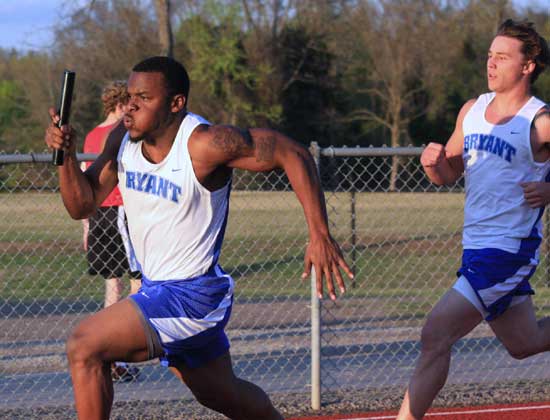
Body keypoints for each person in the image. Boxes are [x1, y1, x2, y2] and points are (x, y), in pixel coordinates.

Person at [45, 56, 354, 420]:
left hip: (191, 296)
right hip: (157, 290)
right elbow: (81, 205)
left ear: (175, 104)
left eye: (143, 98)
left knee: (85, 347)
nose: (130, 107)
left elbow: (293, 152)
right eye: (129, 97)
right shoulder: (122, 140)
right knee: (226, 397)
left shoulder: (205, 144)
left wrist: (319, 234)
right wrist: (65, 156)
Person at [397, 19, 550, 420]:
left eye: (502, 57)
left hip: (508, 251)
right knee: (524, 343)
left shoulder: (541, 121)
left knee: (435, 334)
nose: (492, 63)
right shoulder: (473, 110)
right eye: (489, 56)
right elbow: (448, 173)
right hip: (477, 247)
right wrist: (432, 165)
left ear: (528, 65)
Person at [80, 80, 142, 383]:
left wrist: (87, 226)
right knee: (136, 282)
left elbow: (84, 181)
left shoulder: (91, 135)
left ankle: (111, 354)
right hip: (120, 210)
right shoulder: (123, 133)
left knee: (112, 286)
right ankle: (123, 351)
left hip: (98, 214)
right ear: (119, 105)